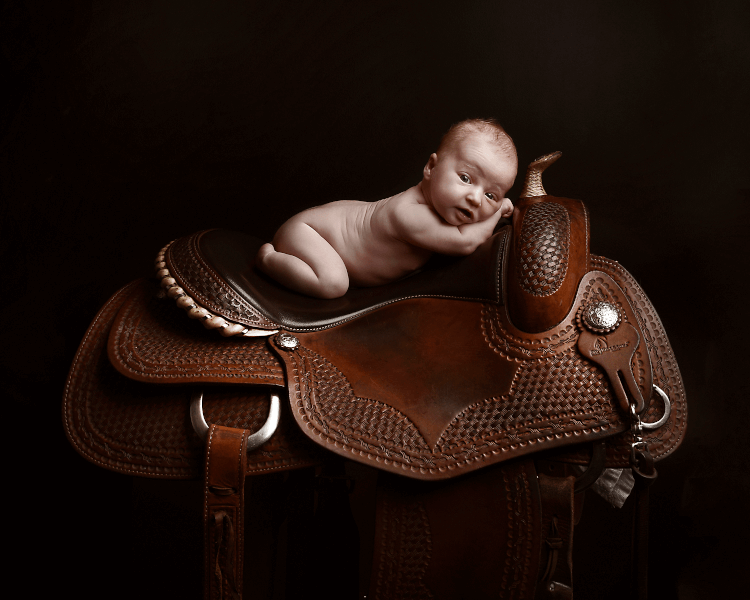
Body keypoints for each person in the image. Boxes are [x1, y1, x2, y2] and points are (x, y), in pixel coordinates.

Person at [256, 118, 518, 298]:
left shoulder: (438, 208)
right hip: (309, 233)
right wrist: (497, 209)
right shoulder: (409, 214)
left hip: (323, 230)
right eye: (465, 178)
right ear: (431, 168)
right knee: (333, 284)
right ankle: (269, 259)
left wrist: (495, 204)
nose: (475, 198)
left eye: (490, 194)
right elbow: (466, 242)